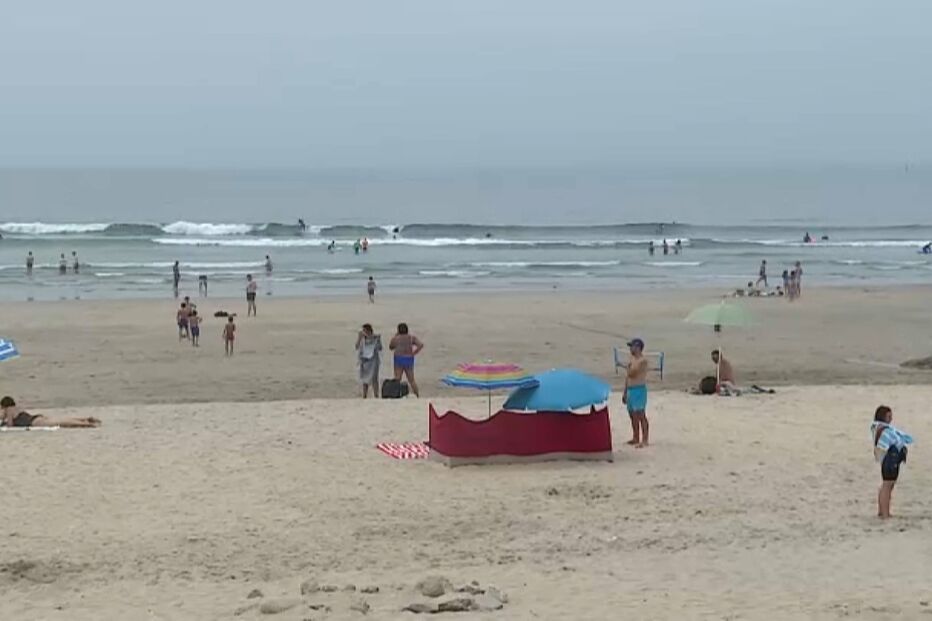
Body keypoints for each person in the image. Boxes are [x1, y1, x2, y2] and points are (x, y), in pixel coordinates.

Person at [871, 405, 913, 519]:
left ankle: (882, 511)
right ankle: (885, 513)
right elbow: (888, 442)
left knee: (887, 485)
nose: (890, 419)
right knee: (887, 485)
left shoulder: (878, 428)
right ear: (882, 416)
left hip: (887, 459)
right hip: (889, 459)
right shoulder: (883, 429)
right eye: (888, 416)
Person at [1, 396, 101, 428]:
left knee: (62, 423)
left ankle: (85, 424)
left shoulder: (9, 410)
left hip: (34, 422)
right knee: (61, 420)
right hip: (36, 417)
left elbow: (10, 424)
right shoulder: (16, 408)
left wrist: (4, 423)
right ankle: (84, 418)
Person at [623, 338, 649, 448]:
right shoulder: (632, 360)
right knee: (632, 415)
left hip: (639, 389)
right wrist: (625, 391)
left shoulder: (643, 361)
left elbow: (632, 373)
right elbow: (627, 377)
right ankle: (635, 437)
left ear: (638, 347)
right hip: (630, 389)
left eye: (632, 346)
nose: (630, 349)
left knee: (640, 414)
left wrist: (628, 369)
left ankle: (645, 439)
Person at [389, 323, 424, 397]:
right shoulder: (411, 337)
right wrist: (414, 353)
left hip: (399, 358)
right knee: (411, 379)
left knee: (397, 378)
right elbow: (420, 345)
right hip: (408, 358)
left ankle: (396, 394)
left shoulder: (396, 338)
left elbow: (391, 347)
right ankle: (417, 394)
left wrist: (395, 336)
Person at [356, 324, 382, 398]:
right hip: (364, 361)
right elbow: (357, 347)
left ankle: (376, 395)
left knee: (374, 378)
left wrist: (376, 340)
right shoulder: (362, 339)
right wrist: (359, 338)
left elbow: (380, 348)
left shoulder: (375, 338)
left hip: (373, 360)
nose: (363, 332)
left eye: (364, 330)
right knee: (365, 379)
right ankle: (364, 395)